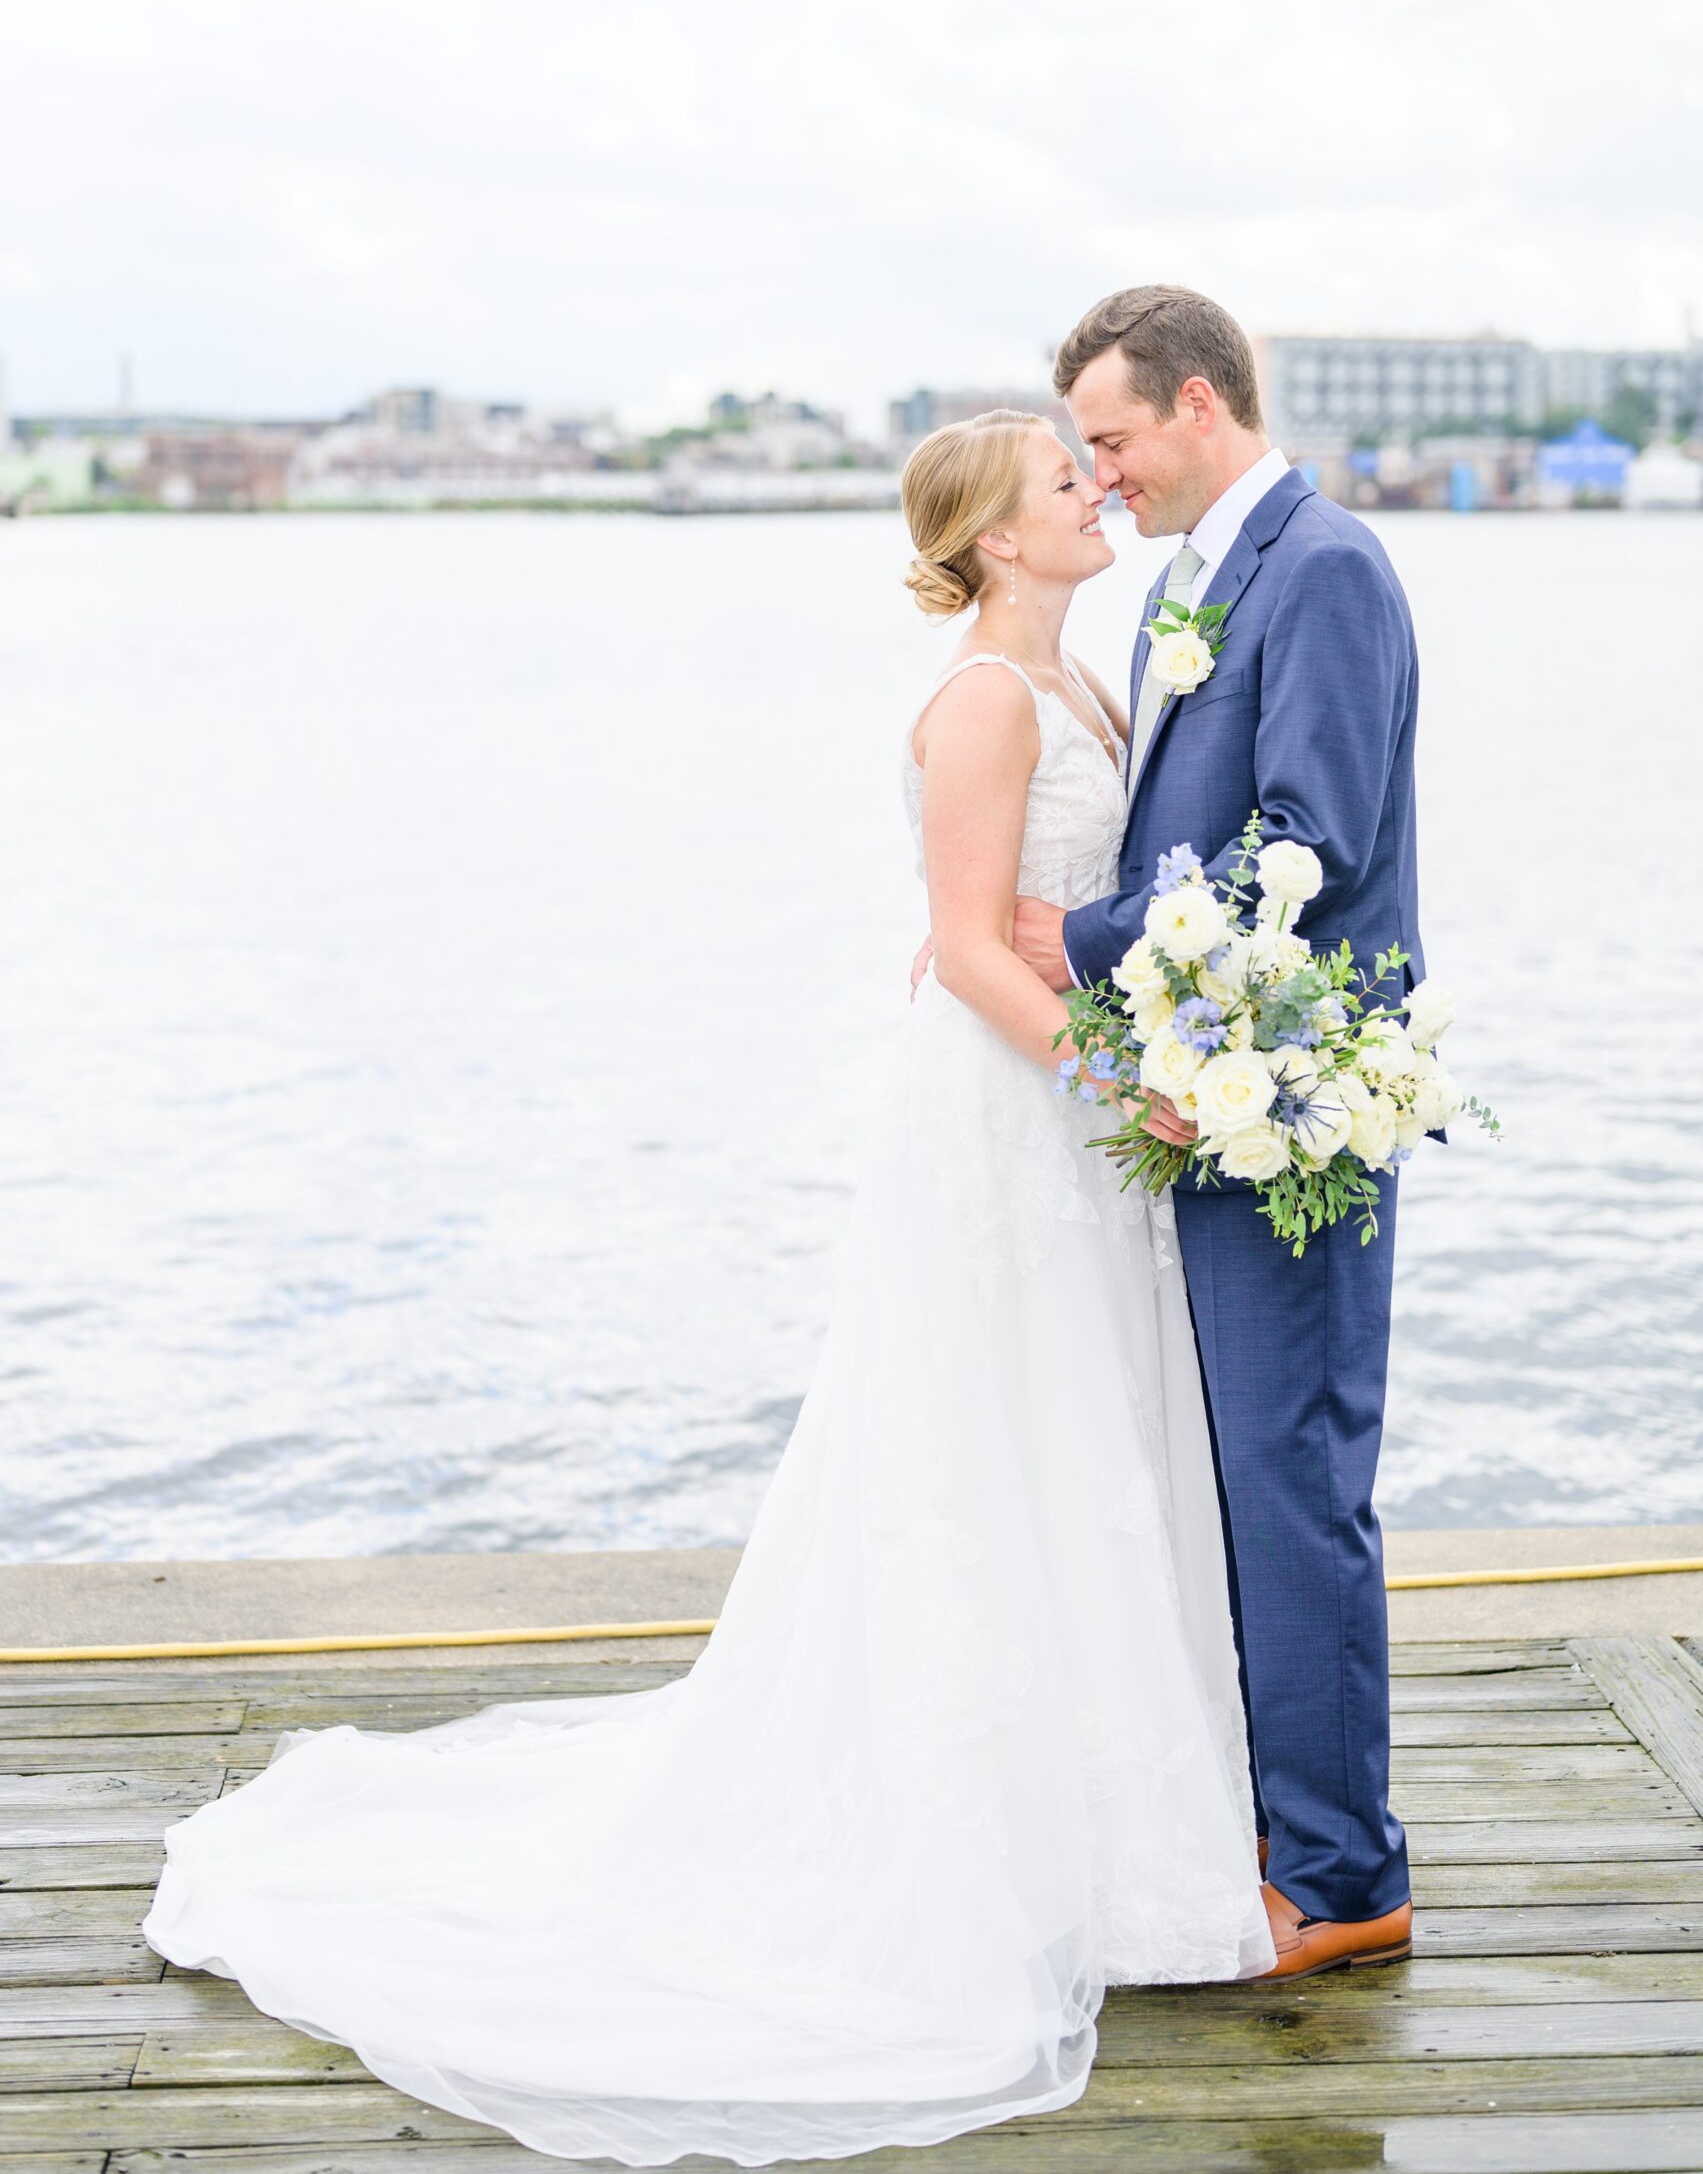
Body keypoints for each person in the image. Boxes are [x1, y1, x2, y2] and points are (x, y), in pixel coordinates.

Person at [144, 406, 1272, 2166]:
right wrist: (1128, 1083)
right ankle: (976, 1847)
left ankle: (1108, 1845)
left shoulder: (1088, 680)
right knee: (991, 1440)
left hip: (1061, 1108)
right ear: (994, 537)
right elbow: (968, 947)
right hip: (1009, 1116)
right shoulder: (981, 699)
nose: (1093, 492)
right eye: (1067, 482)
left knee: (1084, 1443)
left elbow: (1037, 914)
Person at [986, 284, 1422, 1975]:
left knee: (1293, 1481)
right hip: (1210, 1100)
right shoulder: (1193, 579)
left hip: (1293, 1108)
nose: (1101, 478)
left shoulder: (1323, 571)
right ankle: (1280, 1820)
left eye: (1110, 441)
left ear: (1195, 406)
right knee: (1236, 1479)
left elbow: (1313, 843)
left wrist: (1077, 945)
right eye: (1080, 453)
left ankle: (1339, 1879)